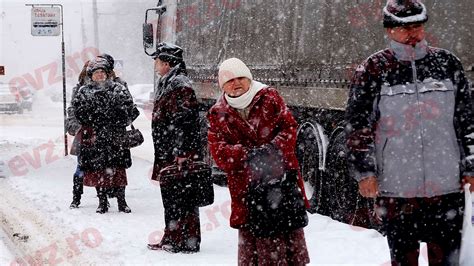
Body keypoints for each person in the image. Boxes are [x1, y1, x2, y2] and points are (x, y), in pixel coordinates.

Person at [345, 0, 474, 265]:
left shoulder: (448, 64)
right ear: (389, 30)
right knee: (404, 259)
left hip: (446, 186)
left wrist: (470, 168)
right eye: (404, 28)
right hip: (397, 189)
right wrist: (366, 173)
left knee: (448, 259)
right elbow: (358, 126)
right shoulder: (373, 69)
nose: (412, 33)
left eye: (417, 26)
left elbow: (467, 121)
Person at [207, 58, 310, 265]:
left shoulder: (269, 97)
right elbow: (218, 152)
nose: (235, 84)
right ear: (222, 85)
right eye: (229, 80)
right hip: (246, 189)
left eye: (240, 78)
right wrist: (247, 155)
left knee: (287, 242)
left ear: (249, 78)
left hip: (280, 183)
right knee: (254, 248)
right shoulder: (217, 113)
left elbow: (289, 129)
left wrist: (269, 151)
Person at [146, 43, 202, 253]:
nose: (155, 65)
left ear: (167, 63)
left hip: (178, 153)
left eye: (158, 62)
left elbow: (185, 121)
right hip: (169, 150)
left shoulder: (180, 85)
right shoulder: (169, 82)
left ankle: (186, 240)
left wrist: (182, 152)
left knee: (183, 197)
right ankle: (172, 236)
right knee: (171, 196)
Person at [72, 58, 137, 214]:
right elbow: (79, 114)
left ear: (108, 74)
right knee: (98, 171)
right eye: (96, 73)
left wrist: (115, 116)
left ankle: (122, 201)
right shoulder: (84, 92)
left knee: (119, 171)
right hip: (95, 139)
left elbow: (129, 111)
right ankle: (102, 201)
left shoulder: (118, 89)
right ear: (91, 75)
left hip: (116, 138)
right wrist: (95, 117)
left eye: (102, 72)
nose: (100, 75)